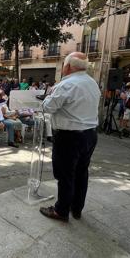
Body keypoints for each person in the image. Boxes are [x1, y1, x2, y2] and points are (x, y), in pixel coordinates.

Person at [39, 52, 100, 222]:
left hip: (69, 137)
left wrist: (48, 95)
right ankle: (77, 208)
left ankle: (61, 210)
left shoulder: (67, 85)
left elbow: (48, 107)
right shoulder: (92, 83)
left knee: (65, 175)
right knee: (82, 172)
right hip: (90, 134)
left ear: (67, 67)